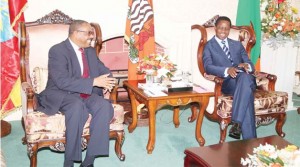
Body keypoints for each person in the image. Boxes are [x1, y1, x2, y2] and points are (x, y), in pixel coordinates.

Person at [37, 20, 116, 167]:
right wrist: (94, 82)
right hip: (62, 93)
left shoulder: (90, 51)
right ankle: (69, 161)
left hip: (85, 92)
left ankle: (89, 160)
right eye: (88, 33)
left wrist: (109, 80)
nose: (91, 37)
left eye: (92, 34)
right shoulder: (57, 51)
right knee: (77, 107)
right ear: (76, 33)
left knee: (104, 106)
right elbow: (61, 81)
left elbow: (103, 69)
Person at [202, 16, 257, 140]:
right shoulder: (209, 46)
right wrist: (227, 70)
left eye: (226, 29)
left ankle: (237, 123)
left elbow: (250, 64)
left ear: (229, 30)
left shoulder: (237, 44)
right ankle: (250, 140)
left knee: (245, 78)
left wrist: (245, 65)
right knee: (246, 93)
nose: (223, 31)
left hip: (245, 79)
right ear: (215, 28)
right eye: (221, 28)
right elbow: (208, 66)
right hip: (228, 83)